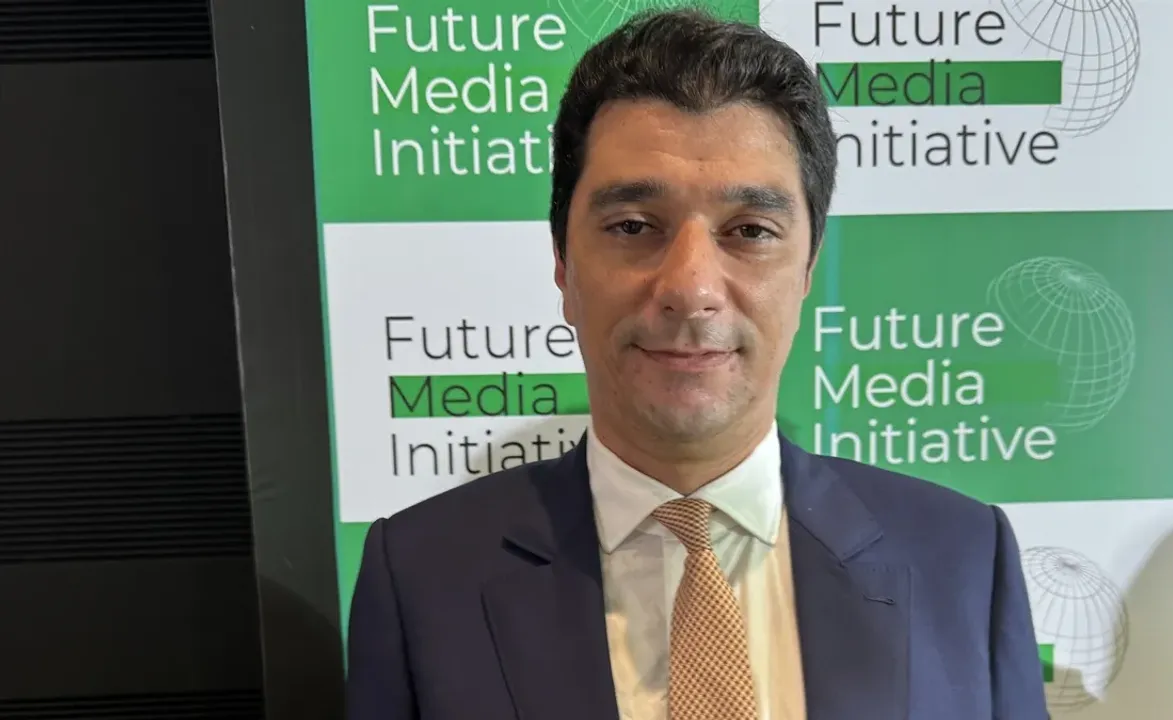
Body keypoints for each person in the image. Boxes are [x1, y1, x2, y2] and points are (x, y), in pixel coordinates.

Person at [345, 7, 1049, 720]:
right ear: (562, 263)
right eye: (632, 226)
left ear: (807, 268)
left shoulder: (964, 560)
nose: (690, 288)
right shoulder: (422, 578)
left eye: (750, 231)